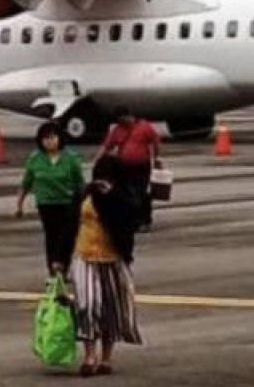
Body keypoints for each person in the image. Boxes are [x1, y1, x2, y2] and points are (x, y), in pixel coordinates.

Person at [71, 155, 143, 376]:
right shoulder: (85, 194)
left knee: (111, 309)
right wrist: (60, 259)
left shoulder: (124, 195)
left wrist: (112, 194)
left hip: (112, 257)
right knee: (87, 306)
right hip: (84, 255)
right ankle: (90, 355)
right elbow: (68, 225)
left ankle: (106, 358)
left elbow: (134, 215)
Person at [14, 122, 85, 275]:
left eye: (52, 137)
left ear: (59, 138)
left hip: (67, 202)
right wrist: (19, 204)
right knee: (52, 236)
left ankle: (63, 266)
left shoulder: (71, 158)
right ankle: (53, 269)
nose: (49, 141)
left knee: (67, 237)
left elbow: (80, 184)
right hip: (46, 203)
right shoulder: (35, 159)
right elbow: (26, 182)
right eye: (45, 139)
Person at [97, 106, 162, 231]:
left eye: (121, 120)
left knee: (140, 192)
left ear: (128, 116)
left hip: (141, 166)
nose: (120, 123)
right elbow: (107, 146)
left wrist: (157, 158)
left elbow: (155, 141)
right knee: (127, 193)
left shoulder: (144, 126)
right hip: (124, 167)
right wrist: (98, 160)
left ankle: (144, 219)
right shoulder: (117, 130)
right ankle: (133, 219)